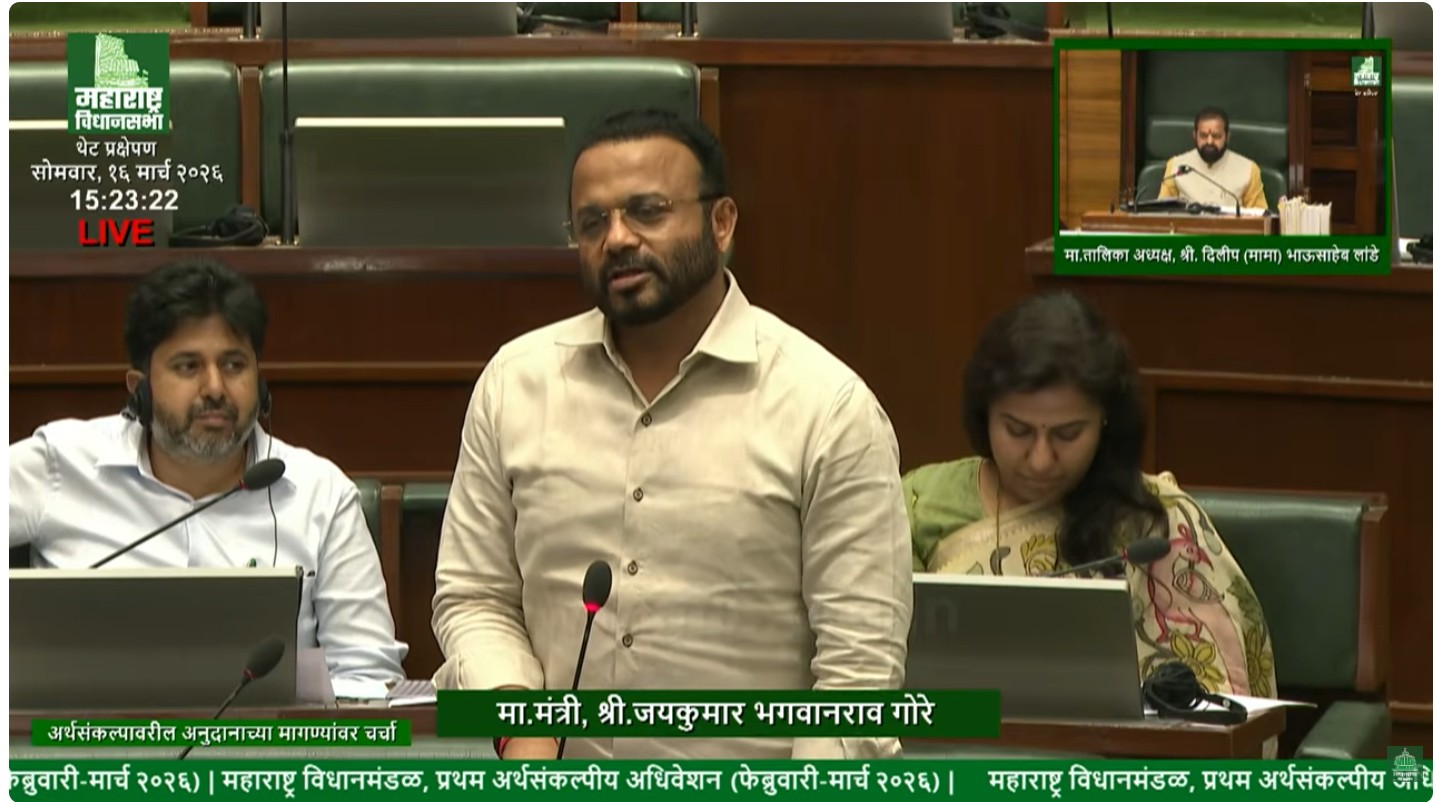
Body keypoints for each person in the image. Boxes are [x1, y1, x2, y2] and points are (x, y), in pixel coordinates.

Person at [431, 108, 913, 761]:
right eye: (592, 223)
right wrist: (522, 732)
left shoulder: (827, 408)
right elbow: (475, 597)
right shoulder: (516, 383)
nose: (618, 239)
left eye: (648, 211)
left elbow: (858, 679)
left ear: (722, 223)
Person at [9, 258, 407, 683]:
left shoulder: (319, 493)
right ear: (138, 390)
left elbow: (369, 677)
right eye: (188, 366)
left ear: (261, 382)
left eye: (234, 365)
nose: (215, 388)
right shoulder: (60, 463)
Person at [905, 291, 1276, 701]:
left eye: (1067, 434)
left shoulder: (1153, 518)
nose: (1041, 460)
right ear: (985, 414)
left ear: (1105, 423)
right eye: (1018, 430)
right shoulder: (920, 502)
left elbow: (1213, 698)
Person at [1157, 106, 1269, 212]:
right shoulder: (1176, 168)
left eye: (1216, 136)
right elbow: (1161, 214)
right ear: (1194, 135)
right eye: (1203, 136)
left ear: (1227, 137)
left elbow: (1260, 218)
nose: (1209, 141)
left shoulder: (1248, 170)